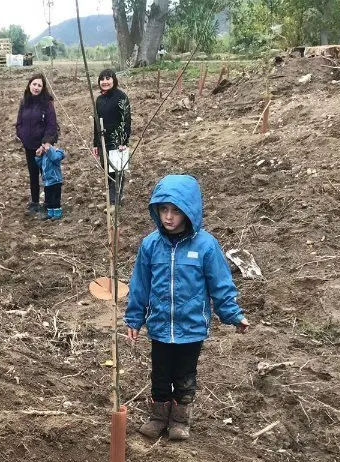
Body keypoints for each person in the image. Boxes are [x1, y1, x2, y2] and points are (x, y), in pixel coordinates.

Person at [125, 174, 250, 440]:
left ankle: (180, 421)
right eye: (163, 210)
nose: (168, 217)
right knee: (159, 374)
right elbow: (140, 285)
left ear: (189, 211)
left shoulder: (205, 246)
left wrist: (233, 314)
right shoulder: (150, 245)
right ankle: (158, 416)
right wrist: (134, 319)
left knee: (184, 376)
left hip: (191, 327)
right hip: (160, 325)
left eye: (176, 211)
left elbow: (220, 284)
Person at [15, 73, 59, 217]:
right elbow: (19, 123)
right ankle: (34, 202)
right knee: (33, 174)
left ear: (43, 88)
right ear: (29, 85)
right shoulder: (24, 102)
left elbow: (51, 125)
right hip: (29, 146)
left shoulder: (47, 103)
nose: (36, 87)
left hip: (43, 148)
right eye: (34, 84)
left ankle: (48, 203)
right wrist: (22, 136)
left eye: (39, 85)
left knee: (46, 175)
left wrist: (45, 143)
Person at [92, 68, 132, 206]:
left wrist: (123, 140)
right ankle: (111, 198)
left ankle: (115, 201)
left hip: (117, 141)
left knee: (117, 171)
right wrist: (96, 143)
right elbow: (96, 123)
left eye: (108, 78)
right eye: (102, 79)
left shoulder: (121, 97)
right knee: (107, 170)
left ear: (114, 80)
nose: (105, 82)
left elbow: (126, 120)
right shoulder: (99, 100)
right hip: (104, 140)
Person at [35, 145, 65, 220]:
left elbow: (55, 158)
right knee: (48, 198)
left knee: (55, 198)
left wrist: (50, 150)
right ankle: (50, 213)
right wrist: (38, 156)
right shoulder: (44, 156)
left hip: (55, 181)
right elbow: (40, 165)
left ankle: (57, 213)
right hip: (47, 182)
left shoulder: (56, 153)